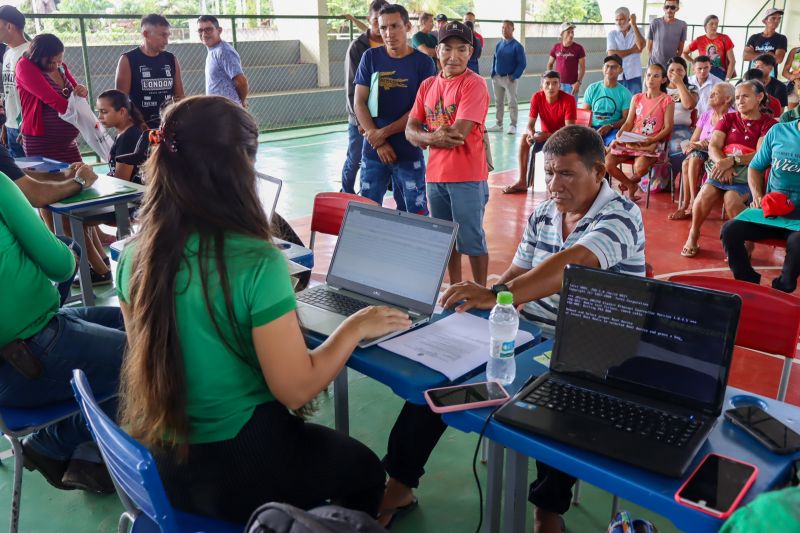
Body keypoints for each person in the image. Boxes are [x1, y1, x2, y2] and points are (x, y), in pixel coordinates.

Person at [116, 95, 409, 524]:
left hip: (163, 467)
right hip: (238, 468)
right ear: (238, 167)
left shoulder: (133, 255)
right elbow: (296, 390)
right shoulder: (257, 262)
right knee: (365, 471)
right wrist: (354, 327)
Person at [440, 126, 645, 533]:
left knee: (561, 398)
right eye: (548, 173)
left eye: (566, 173)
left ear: (599, 171)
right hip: (533, 332)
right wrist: (490, 292)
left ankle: (547, 510)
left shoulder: (622, 214)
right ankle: (400, 480)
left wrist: (500, 293)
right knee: (445, 377)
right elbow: (521, 270)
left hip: (596, 343)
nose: (554, 184)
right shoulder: (545, 211)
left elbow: (577, 260)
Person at [0, 164, 125, 495]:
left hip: (33, 339)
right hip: (29, 353)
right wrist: (67, 254)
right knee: (154, 359)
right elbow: (59, 264)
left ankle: (88, 456)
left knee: (135, 327)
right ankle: (51, 444)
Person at [15, 33, 113, 285]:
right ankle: (85, 265)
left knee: (79, 202)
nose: (57, 65)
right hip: (42, 144)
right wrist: (74, 101)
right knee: (55, 206)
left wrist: (80, 90)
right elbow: (56, 101)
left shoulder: (60, 66)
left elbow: (74, 91)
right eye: (53, 61)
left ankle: (98, 263)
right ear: (40, 56)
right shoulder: (25, 67)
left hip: (67, 143)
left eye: (60, 60)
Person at [406, 21, 490, 286]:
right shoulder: (427, 86)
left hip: (467, 176)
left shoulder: (474, 85)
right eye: (447, 49)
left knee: (471, 238)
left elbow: (457, 135)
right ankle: (455, 289)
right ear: (437, 50)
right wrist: (430, 136)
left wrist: (423, 137)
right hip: (435, 176)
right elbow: (410, 130)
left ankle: (480, 291)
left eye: (461, 50)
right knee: (445, 238)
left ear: (470, 53)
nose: (453, 56)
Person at [352, 3, 436, 213]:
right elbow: (359, 102)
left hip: (409, 150)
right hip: (373, 151)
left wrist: (383, 134)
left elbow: (420, 109)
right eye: (383, 28)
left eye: (395, 26)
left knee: (415, 212)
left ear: (407, 26)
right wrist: (378, 142)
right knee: (366, 212)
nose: (389, 33)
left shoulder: (424, 63)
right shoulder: (370, 57)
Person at [681, 80, 775, 257]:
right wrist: (722, 164)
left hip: (747, 174)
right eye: (737, 97)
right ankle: (694, 233)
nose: (739, 101)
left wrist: (732, 161)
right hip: (721, 169)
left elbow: (759, 155)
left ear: (759, 97)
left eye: (745, 96)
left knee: (731, 200)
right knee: (703, 196)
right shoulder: (728, 118)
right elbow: (713, 146)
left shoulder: (768, 124)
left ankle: (744, 240)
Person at [721, 119, 800, 292]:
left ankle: (782, 287)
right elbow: (755, 167)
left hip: (798, 222)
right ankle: (747, 281)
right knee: (730, 230)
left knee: (798, 241)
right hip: (771, 213)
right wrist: (757, 197)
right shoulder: (779, 131)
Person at [606, 64, 675, 202]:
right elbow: (629, 122)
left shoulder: (667, 100)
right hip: (632, 140)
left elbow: (668, 128)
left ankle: (631, 181)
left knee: (640, 167)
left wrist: (652, 140)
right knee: (607, 163)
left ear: (663, 80)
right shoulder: (637, 98)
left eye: (656, 76)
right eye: (648, 75)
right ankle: (631, 185)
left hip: (652, 143)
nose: (651, 79)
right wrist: (620, 134)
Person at [669, 82, 735, 221]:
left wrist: (712, 144)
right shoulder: (706, 115)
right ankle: (688, 204)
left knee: (693, 160)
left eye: (715, 93)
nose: (710, 95)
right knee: (688, 162)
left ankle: (693, 204)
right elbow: (692, 141)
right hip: (701, 151)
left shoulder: (733, 116)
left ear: (728, 98)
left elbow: (732, 143)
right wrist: (700, 144)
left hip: (720, 155)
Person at [503, 71, 576, 194]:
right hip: (545, 137)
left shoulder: (569, 100)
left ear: (560, 85)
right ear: (541, 86)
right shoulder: (537, 97)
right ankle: (522, 181)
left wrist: (547, 135)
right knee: (524, 139)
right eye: (547, 84)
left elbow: (569, 131)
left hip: (564, 139)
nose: (551, 87)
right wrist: (531, 133)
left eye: (555, 83)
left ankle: (559, 185)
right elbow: (530, 125)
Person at [341, 0, 387, 194]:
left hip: (385, 117)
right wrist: (361, 120)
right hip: (359, 119)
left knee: (383, 158)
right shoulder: (357, 48)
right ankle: (346, 191)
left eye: (386, 22)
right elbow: (352, 88)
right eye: (376, 21)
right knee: (355, 157)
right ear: (369, 19)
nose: (381, 27)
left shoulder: (393, 44)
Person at [115, 14, 185, 129]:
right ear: (146, 34)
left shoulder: (171, 59)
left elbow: (179, 96)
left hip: (167, 126)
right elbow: (121, 100)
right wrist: (139, 124)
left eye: (168, 36)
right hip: (139, 128)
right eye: (162, 35)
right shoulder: (128, 59)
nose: (166, 41)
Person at [96, 90, 147, 184]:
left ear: (122, 111)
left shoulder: (128, 138)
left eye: (104, 112)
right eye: (98, 112)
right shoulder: (126, 132)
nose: (100, 117)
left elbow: (121, 183)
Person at [581, 54, 632, 146]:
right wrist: (589, 131)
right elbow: (585, 114)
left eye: (613, 67)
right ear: (603, 68)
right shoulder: (592, 88)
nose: (609, 69)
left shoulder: (625, 93)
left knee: (616, 144)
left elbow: (626, 119)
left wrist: (610, 126)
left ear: (621, 70)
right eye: (607, 66)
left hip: (613, 130)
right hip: (592, 128)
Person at [197, 15, 248, 107]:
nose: (204, 34)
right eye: (200, 30)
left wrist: (241, 102)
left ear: (219, 30)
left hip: (228, 112)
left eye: (208, 29)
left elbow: (241, 81)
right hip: (219, 111)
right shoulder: (213, 50)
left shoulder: (223, 51)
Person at [487, 20, 526, 135]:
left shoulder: (517, 46)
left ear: (513, 29)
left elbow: (522, 64)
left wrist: (514, 76)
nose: (504, 29)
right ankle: (499, 124)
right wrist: (493, 73)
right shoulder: (499, 44)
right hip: (497, 78)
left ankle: (513, 125)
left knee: (512, 102)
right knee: (498, 102)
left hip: (510, 79)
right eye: (502, 27)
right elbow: (495, 59)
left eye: (507, 28)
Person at [0, 6, 28, 157]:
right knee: (18, 178)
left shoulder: (31, 52)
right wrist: (5, 125)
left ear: (9, 26)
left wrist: (27, 123)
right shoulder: (7, 53)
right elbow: (9, 92)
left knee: (37, 177)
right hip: (11, 127)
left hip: (27, 128)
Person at [665, 56, 699, 177]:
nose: (675, 73)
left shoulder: (692, 88)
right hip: (660, 127)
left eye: (679, 70)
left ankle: (669, 179)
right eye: (671, 70)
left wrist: (679, 84)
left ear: (685, 72)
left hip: (681, 129)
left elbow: (689, 105)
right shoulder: (660, 88)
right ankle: (656, 179)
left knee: (682, 149)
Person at [684, 14, 735, 80]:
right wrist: (694, 62)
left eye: (716, 23)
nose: (715, 26)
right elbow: (684, 53)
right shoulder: (699, 40)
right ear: (705, 26)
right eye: (711, 24)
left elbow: (732, 61)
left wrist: (727, 79)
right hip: (703, 73)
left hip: (720, 74)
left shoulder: (725, 38)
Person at [607, 7, 645, 95]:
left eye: (621, 19)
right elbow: (611, 54)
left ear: (628, 19)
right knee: (618, 102)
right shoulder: (612, 34)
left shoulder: (638, 30)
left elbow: (640, 47)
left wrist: (634, 25)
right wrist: (632, 50)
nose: (618, 22)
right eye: (616, 20)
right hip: (617, 75)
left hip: (634, 74)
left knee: (635, 102)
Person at [743, 7, 786, 78]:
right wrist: (768, 54)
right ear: (765, 21)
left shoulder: (781, 38)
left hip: (770, 77)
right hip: (752, 76)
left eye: (779, 18)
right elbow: (745, 56)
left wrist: (755, 54)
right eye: (773, 18)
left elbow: (779, 59)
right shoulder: (754, 37)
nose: (777, 21)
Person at [547, 23, 585, 97]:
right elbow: (550, 64)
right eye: (568, 32)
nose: (571, 35)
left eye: (572, 32)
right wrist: (550, 80)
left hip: (572, 86)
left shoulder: (579, 48)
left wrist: (578, 82)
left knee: (571, 108)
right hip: (558, 85)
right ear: (562, 34)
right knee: (557, 107)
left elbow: (582, 67)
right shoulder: (556, 47)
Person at [647, 0, 687, 69]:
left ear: (677, 9)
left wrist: (674, 63)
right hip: (654, 65)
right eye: (667, 7)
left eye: (672, 7)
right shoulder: (655, 23)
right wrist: (653, 62)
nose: (669, 10)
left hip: (670, 66)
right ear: (663, 8)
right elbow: (648, 46)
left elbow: (681, 48)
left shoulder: (682, 25)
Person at [782, 40, 800, 110]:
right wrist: (795, 78)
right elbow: (784, 72)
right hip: (793, 86)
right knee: (791, 115)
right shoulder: (795, 51)